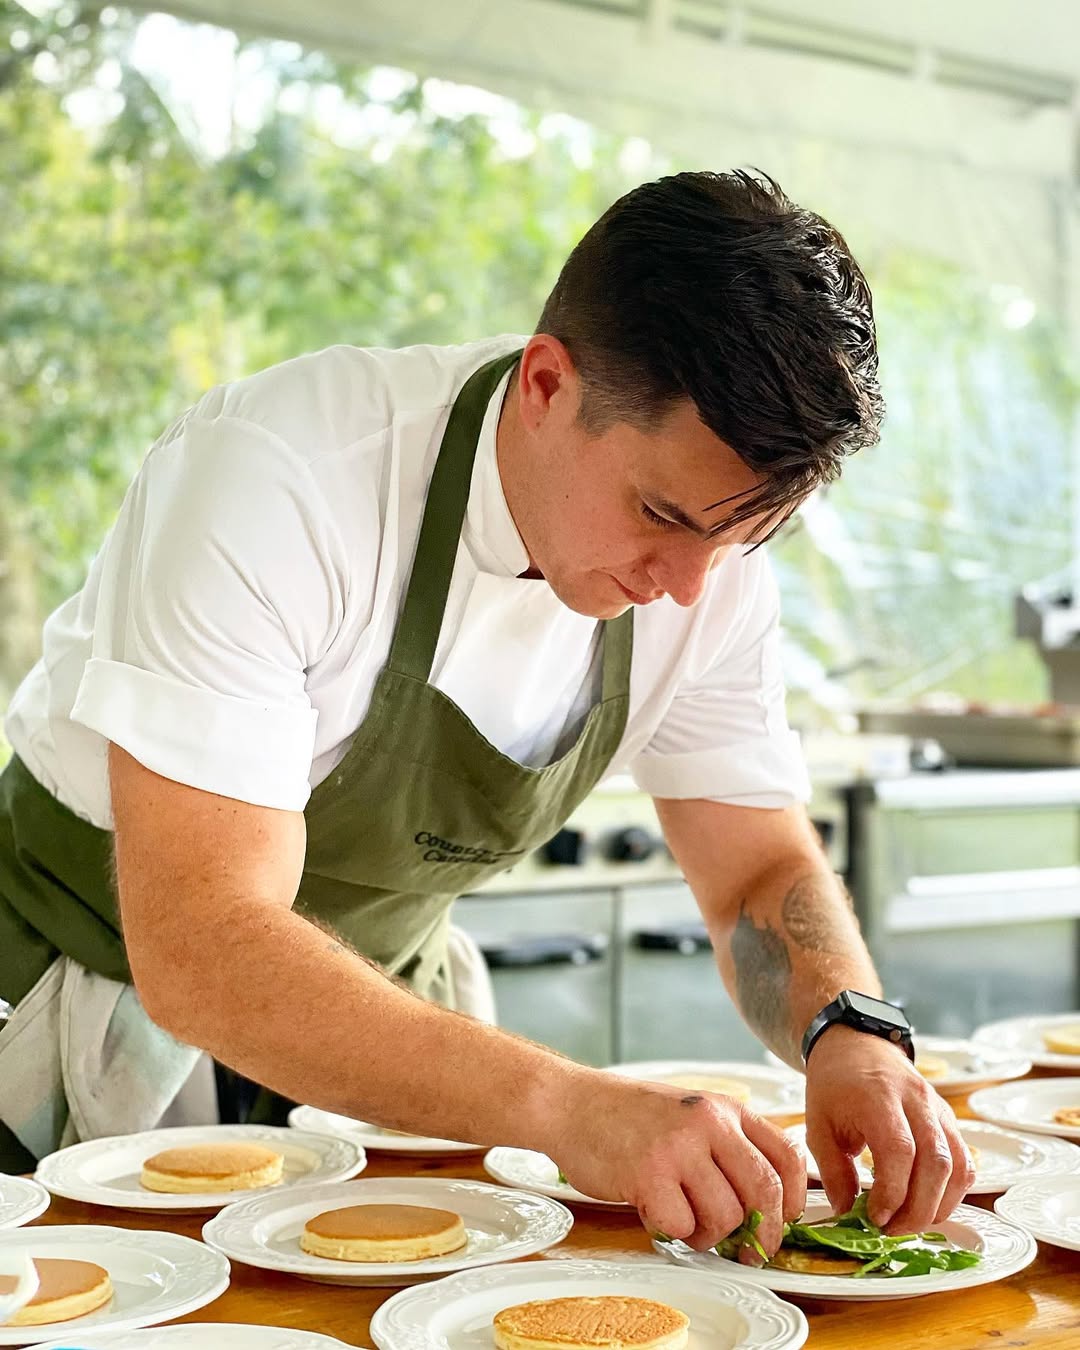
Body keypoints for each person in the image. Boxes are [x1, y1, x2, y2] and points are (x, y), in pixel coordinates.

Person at [0, 169, 973, 1258]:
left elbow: (753, 877)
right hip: (77, 1007)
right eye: (659, 514)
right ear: (546, 383)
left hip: (383, 1057)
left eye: (743, 538)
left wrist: (851, 1030)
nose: (690, 587)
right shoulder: (283, 478)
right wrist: (568, 1107)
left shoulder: (710, 564)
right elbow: (204, 945)